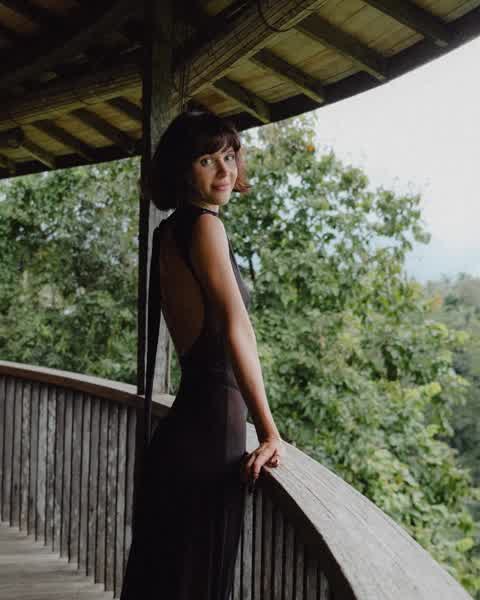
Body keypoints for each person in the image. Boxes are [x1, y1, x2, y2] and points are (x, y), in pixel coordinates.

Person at [120, 110, 285, 599]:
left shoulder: (167, 232)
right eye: (206, 160)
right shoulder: (206, 228)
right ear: (181, 169)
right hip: (210, 438)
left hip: (186, 437)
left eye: (229, 157)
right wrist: (270, 433)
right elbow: (237, 329)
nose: (224, 171)